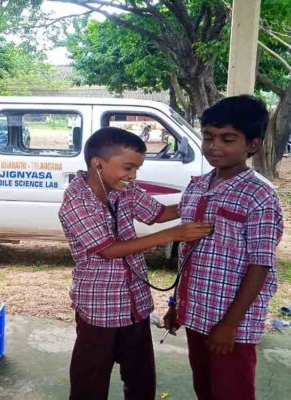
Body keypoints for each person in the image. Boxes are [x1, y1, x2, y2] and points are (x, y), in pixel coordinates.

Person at [59, 127, 212, 400]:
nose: (133, 176)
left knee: (141, 378)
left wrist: (198, 200)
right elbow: (108, 250)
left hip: (135, 303)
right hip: (99, 306)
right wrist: (174, 235)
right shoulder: (76, 201)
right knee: (89, 382)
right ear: (98, 163)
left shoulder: (123, 190)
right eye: (128, 167)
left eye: (137, 169)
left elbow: (159, 213)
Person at [163, 95, 284, 400]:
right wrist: (177, 306)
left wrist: (229, 324)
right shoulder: (198, 185)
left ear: (252, 145)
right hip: (197, 313)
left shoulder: (259, 196)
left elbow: (260, 265)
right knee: (205, 388)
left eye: (227, 139)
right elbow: (189, 256)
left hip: (232, 324)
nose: (214, 146)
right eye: (208, 137)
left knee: (232, 392)